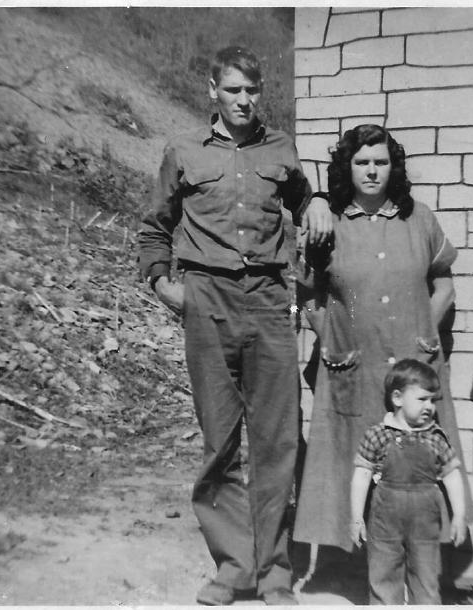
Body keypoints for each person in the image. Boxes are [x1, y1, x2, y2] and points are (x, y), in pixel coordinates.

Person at [137, 45, 331, 606]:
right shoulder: (183, 150)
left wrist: (315, 201)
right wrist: (163, 285)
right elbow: (154, 227)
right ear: (213, 90)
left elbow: (304, 199)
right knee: (219, 439)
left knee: (276, 441)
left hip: (270, 300)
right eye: (233, 90)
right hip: (208, 299)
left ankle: (272, 571)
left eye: (252, 91)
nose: (244, 100)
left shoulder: (280, 150)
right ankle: (232, 565)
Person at [293, 124, 473, 574]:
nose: (372, 171)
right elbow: (309, 293)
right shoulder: (328, 223)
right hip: (357, 366)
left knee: (418, 459)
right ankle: (362, 574)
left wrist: (423, 328)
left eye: (380, 161)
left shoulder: (421, 219)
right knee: (357, 460)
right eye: (361, 163)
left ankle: (420, 572)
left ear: (393, 166)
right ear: (347, 168)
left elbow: (445, 284)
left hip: (414, 364)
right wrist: (329, 332)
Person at [351, 359, 467, 604]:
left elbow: (452, 476)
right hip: (385, 522)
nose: (430, 407)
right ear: (397, 398)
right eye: (422, 399)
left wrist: (459, 515)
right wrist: (356, 516)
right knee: (383, 573)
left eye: (433, 400)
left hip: (425, 522)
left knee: (426, 575)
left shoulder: (435, 437)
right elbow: (361, 476)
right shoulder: (378, 434)